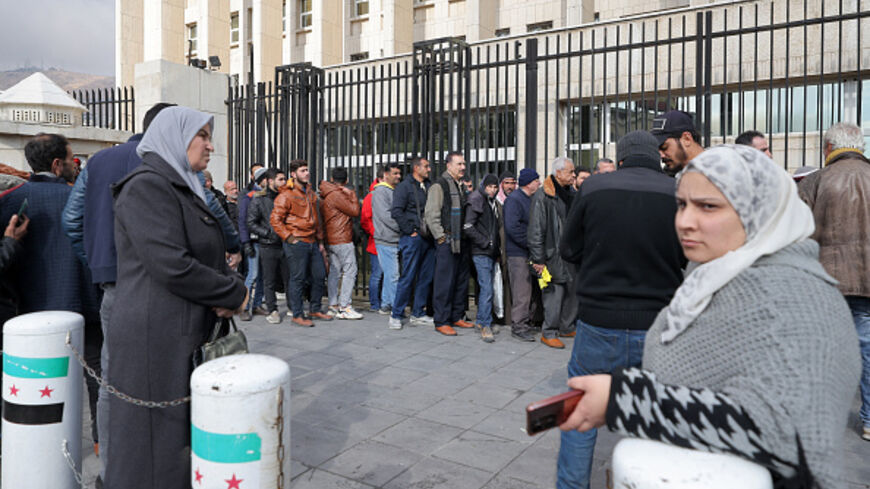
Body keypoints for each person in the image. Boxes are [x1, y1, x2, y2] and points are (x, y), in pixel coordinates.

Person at [560, 144, 860, 489]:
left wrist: (626, 401)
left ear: (758, 208)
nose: (684, 222)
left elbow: (784, 432)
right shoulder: (719, 274)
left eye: (708, 206)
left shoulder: (796, 296)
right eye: (682, 205)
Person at [107, 106, 247, 489]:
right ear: (175, 136)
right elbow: (172, 265)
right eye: (202, 135)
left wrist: (228, 281)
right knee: (154, 448)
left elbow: (203, 253)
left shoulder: (182, 185)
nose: (210, 145)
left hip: (178, 332)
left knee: (175, 444)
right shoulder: (148, 186)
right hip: (155, 339)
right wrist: (235, 292)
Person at [557, 131, 686, 489]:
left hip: (599, 318)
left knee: (581, 411)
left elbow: (569, 248)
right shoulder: (676, 191)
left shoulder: (594, 187)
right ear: (655, 156)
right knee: (652, 416)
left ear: (622, 157)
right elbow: (684, 253)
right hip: (656, 323)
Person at [59, 102, 174, 476]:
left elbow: (71, 220)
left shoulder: (99, 161)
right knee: (169, 373)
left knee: (111, 379)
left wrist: (99, 264)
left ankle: (113, 467)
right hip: (166, 285)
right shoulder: (169, 158)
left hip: (114, 284)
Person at [0, 133, 103, 454]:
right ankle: (100, 441)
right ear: (57, 164)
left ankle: (37, 446)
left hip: (29, 311)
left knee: (36, 383)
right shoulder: (83, 199)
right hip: (85, 304)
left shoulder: (10, 199)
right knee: (97, 376)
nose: (75, 165)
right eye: (72, 159)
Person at [798, 122, 870, 442]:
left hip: (824, 281)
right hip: (867, 282)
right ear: (860, 147)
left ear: (828, 148)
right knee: (867, 347)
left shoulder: (814, 181)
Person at [271, 159, 333, 326]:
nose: (307, 173)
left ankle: (315, 309)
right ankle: (297, 314)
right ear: (293, 174)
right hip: (297, 241)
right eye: (302, 171)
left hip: (312, 241)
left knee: (319, 275)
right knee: (297, 279)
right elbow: (275, 220)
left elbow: (316, 219)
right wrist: (289, 238)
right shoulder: (286, 194)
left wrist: (320, 241)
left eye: (307, 170)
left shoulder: (310, 193)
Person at [528, 157, 579, 349]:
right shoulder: (543, 196)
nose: (573, 175)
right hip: (551, 254)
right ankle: (549, 332)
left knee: (572, 292)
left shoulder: (571, 194)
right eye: (570, 172)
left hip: (570, 253)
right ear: (558, 173)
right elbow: (536, 230)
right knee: (553, 295)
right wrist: (538, 259)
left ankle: (566, 327)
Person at [424, 151, 475, 336]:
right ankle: (441, 320)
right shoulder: (439, 185)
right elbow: (431, 214)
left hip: (461, 241)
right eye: (459, 164)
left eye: (464, 164)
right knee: (444, 283)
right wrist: (440, 237)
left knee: (460, 282)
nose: (463, 167)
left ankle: (456, 315)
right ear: (448, 165)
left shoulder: (459, 185)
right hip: (447, 241)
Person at [390, 156, 435, 329]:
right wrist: (410, 231)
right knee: (408, 276)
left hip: (428, 237)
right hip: (413, 238)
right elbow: (396, 211)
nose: (429, 169)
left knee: (426, 277)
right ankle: (396, 314)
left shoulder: (429, 186)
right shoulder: (404, 187)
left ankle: (418, 313)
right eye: (426, 166)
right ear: (416, 168)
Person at [320, 167, 363, 320]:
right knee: (350, 271)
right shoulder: (337, 195)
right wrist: (352, 195)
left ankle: (333, 305)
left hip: (331, 238)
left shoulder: (326, 194)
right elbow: (355, 211)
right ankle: (345, 306)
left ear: (332, 179)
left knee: (334, 272)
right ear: (346, 180)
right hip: (342, 238)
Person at [247, 168, 289, 324]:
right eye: (280, 179)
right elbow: (251, 222)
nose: (284, 182)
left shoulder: (286, 197)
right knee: (269, 280)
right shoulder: (259, 199)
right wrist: (268, 233)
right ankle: (273, 310)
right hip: (268, 245)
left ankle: (293, 307)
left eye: (284, 179)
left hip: (286, 243)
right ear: (270, 181)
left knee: (289, 278)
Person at [503, 167, 541, 342]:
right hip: (519, 253)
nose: (539, 183)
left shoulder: (529, 199)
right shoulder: (514, 200)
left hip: (528, 252)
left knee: (530, 291)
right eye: (536, 181)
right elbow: (512, 228)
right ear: (528, 183)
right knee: (522, 292)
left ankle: (528, 322)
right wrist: (531, 244)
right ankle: (519, 326)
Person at [464, 173, 501, 342]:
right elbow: (468, 226)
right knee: (486, 289)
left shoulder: (489, 201)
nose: (492, 190)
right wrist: (486, 243)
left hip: (488, 251)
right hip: (481, 252)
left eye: (495, 187)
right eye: (489, 186)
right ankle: (485, 325)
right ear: (484, 186)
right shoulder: (477, 199)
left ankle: (481, 321)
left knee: (487, 288)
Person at [371, 162, 402, 319]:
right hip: (386, 239)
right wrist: (403, 227)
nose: (398, 176)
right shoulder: (381, 192)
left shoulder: (391, 191)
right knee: (393, 275)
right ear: (385, 175)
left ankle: (386, 304)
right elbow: (386, 216)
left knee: (390, 275)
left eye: (399, 173)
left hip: (391, 238)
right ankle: (396, 308)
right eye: (395, 173)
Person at [238, 167, 267, 320]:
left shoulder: (268, 195)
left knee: (262, 275)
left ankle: (257, 305)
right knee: (253, 274)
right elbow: (242, 221)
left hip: (265, 240)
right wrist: (246, 242)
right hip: (254, 240)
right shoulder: (249, 196)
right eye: (266, 178)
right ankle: (244, 307)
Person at [651, 110, 705, 176]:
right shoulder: (666, 175)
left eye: (664, 147)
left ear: (687, 139)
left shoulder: (714, 172)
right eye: (657, 149)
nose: (661, 155)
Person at [361, 168, 384, 312]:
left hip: (380, 239)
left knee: (381, 274)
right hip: (377, 240)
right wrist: (375, 233)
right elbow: (365, 219)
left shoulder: (376, 194)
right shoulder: (372, 196)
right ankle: (375, 303)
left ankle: (379, 302)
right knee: (378, 274)